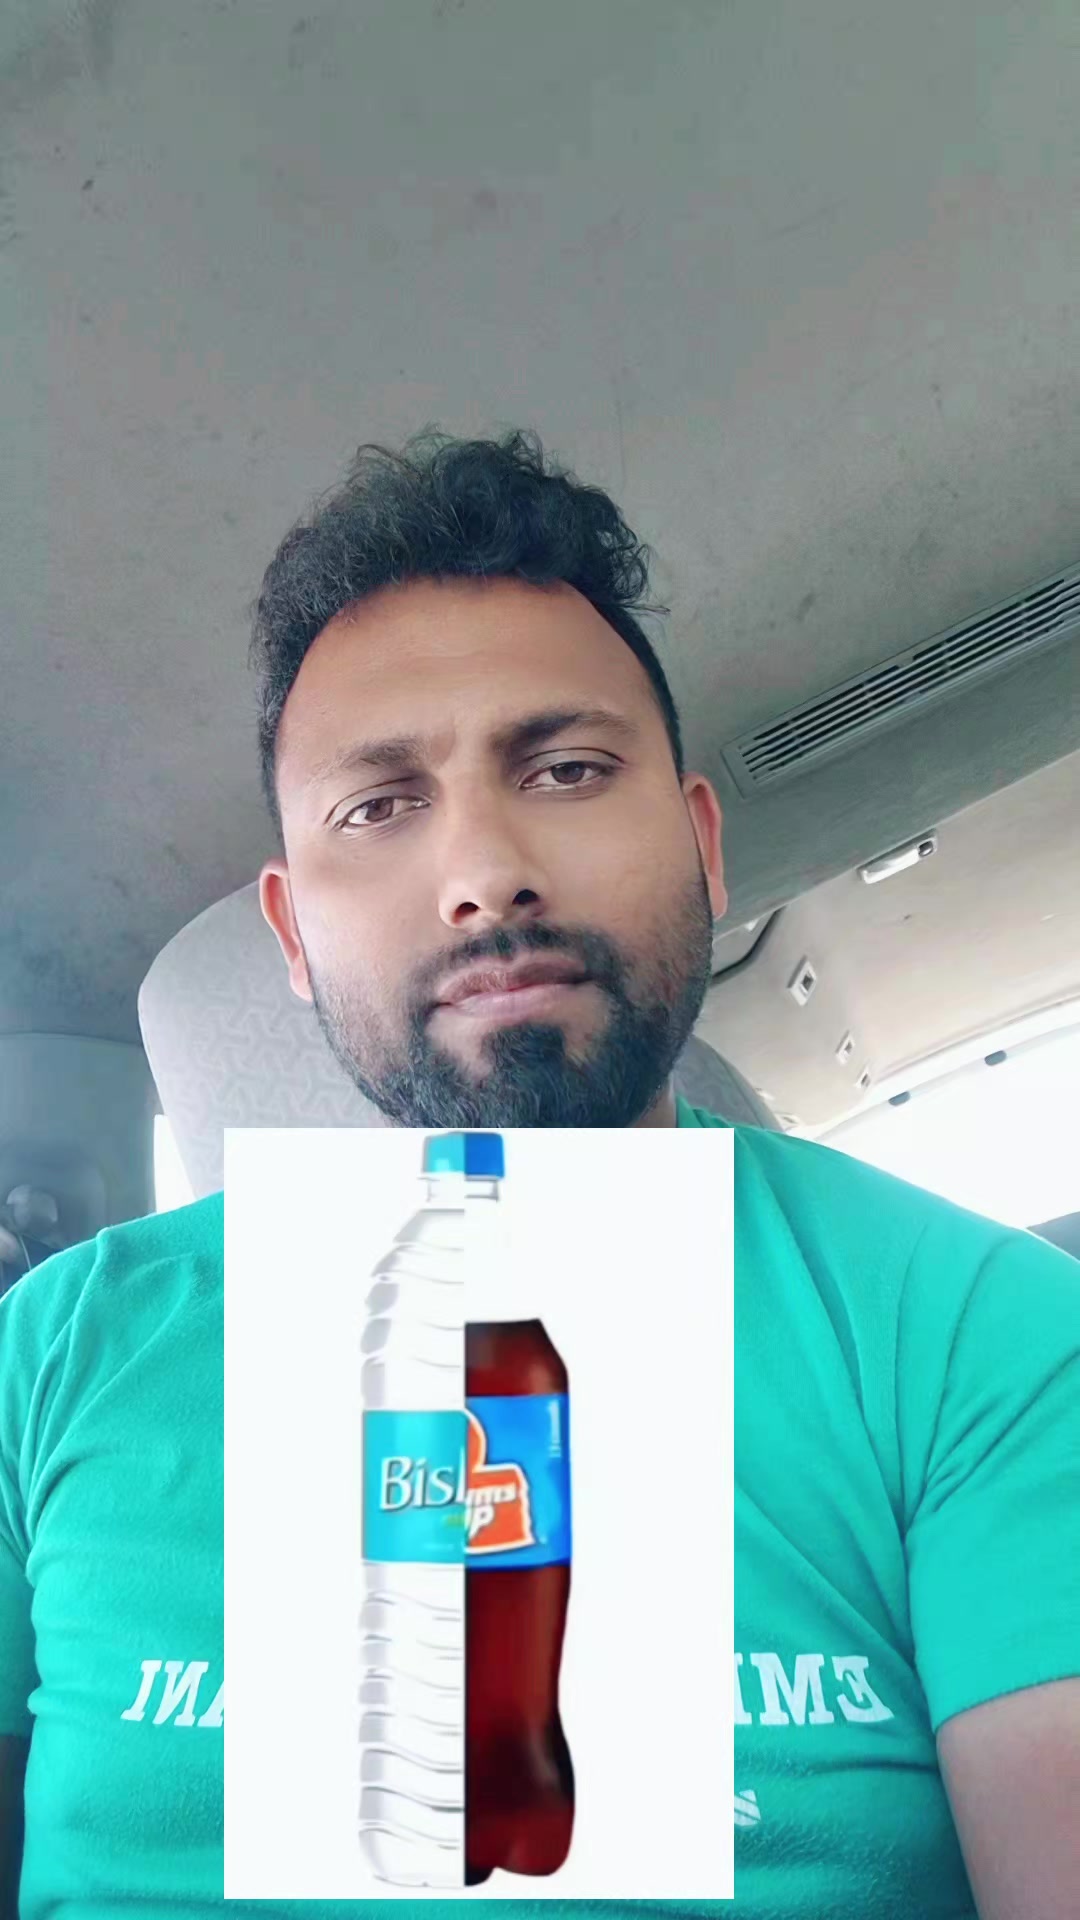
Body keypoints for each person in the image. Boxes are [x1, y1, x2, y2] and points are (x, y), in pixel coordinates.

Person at [1, 428, 1077, 1920]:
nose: (483, 874)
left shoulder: (982, 1332)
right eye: (380, 807)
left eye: (567, 769)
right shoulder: (55, 1351)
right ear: (294, 937)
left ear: (701, 847)